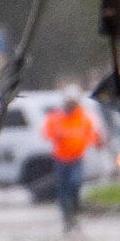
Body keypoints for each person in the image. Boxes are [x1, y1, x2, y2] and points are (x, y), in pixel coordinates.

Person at [42, 92, 102, 231]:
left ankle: (75, 211)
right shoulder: (56, 117)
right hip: (61, 159)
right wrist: (57, 135)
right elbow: (47, 132)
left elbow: (91, 132)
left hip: (77, 158)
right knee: (63, 190)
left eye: (73, 103)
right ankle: (67, 218)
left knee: (75, 184)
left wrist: (96, 142)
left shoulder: (83, 116)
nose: (71, 106)